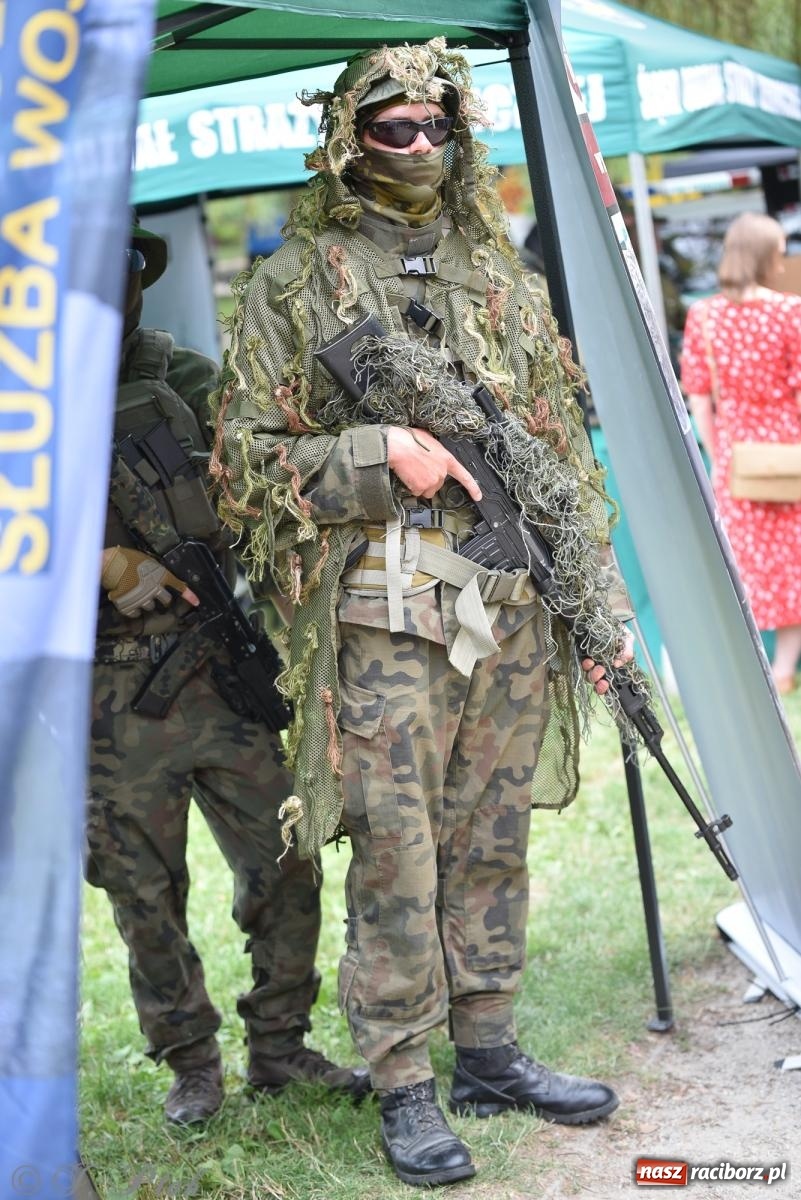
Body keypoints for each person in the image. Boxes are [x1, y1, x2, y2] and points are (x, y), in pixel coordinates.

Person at [212, 41, 637, 1187]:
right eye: (390, 127)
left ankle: (489, 1050)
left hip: (508, 609)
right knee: (396, 854)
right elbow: (242, 467)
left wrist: (597, 606)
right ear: (347, 137)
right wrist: (374, 450)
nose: (415, 146)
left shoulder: (505, 278)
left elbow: (556, 460)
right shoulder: (293, 286)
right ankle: (403, 1077)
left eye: (433, 125)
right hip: (384, 621)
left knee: (491, 839)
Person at [86, 214, 369, 1126]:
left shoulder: (190, 380)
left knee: (286, 864)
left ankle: (280, 1047)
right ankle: (191, 1063)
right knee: (143, 889)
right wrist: (105, 563)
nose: (113, 282)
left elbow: (260, 492)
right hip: (108, 694)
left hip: (218, 666)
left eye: (126, 261)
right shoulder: (27, 401)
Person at [681, 212, 801, 694]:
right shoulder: (790, 312)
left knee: (743, 562)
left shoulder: (704, 317)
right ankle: (786, 665)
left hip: (736, 453)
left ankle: (752, 664)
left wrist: (719, 453)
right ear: (768, 257)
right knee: (793, 557)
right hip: (790, 449)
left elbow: (698, 396)